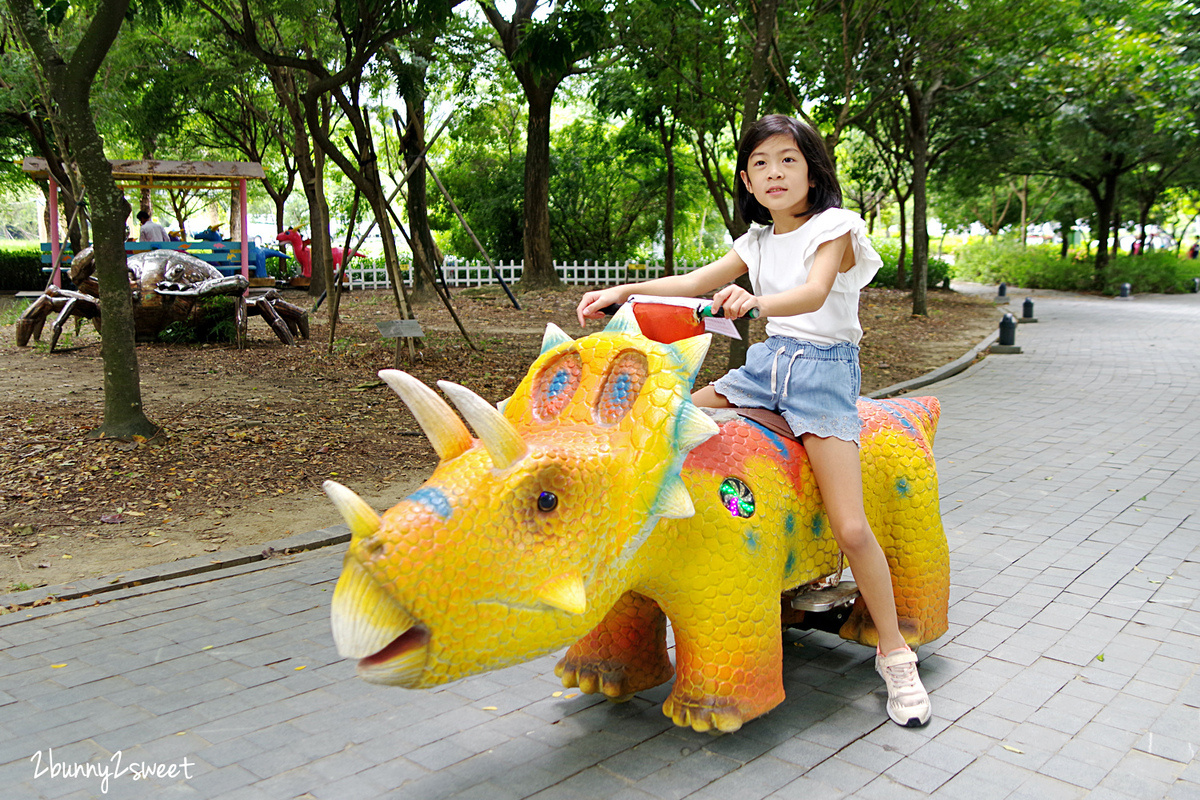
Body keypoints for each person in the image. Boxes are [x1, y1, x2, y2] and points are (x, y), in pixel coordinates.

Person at [576, 114, 931, 728]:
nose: (774, 173)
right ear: (746, 177)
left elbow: (815, 294)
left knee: (851, 526)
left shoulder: (837, 228)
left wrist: (756, 302)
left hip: (823, 378)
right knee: (672, 419)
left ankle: (896, 655)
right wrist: (622, 293)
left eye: (787, 160)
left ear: (813, 171)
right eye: (761, 163)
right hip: (766, 371)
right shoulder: (756, 241)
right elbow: (693, 283)